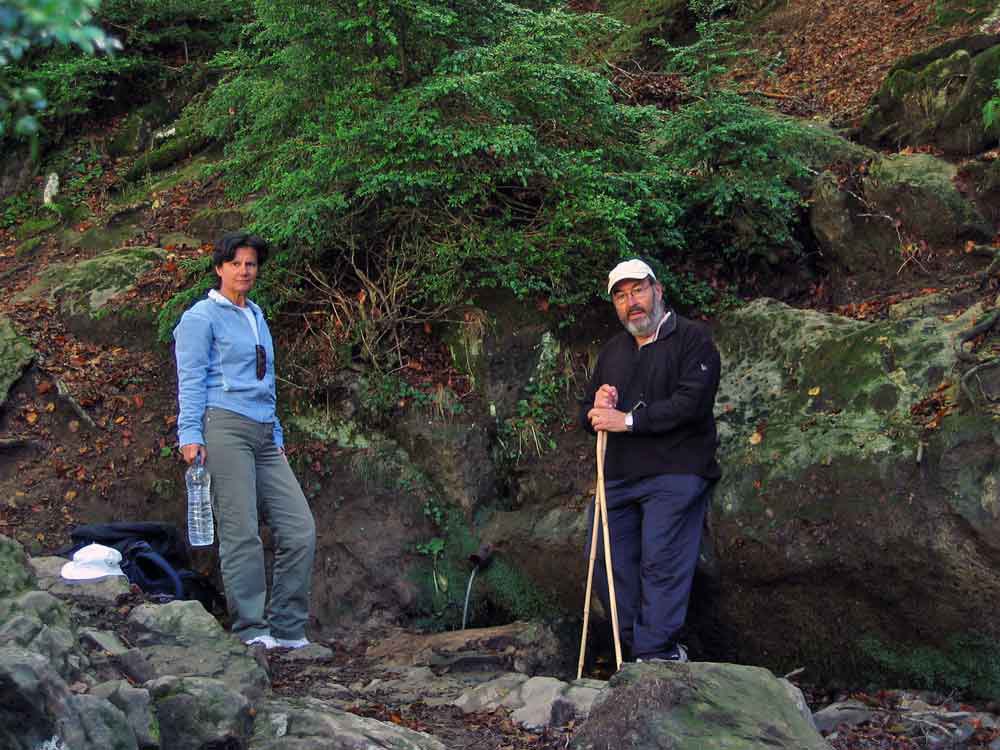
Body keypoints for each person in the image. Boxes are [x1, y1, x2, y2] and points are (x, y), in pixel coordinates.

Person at [173, 231, 316, 650]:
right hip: (223, 425)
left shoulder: (257, 315)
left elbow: (266, 380)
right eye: (235, 263)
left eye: (250, 264)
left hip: (264, 433)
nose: (244, 270)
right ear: (219, 268)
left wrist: (277, 431)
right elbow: (191, 379)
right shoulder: (201, 317)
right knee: (241, 531)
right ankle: (252, 630)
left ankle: (288, 629)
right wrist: (190, 434)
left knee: (300, 529)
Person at [580, 258, 721, 663]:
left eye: (638, 291)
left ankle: (657, 655)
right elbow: (589, 418)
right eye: (621, 296)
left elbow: (690, 405)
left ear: (658, 291)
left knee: (660, 561)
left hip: (676, 472)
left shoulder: (694, 339)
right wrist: (596, 408)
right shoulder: (613, 352)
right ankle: (633, 651)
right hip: (620, 476)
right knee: (606, 563)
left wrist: (625, 419)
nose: (631, 303)